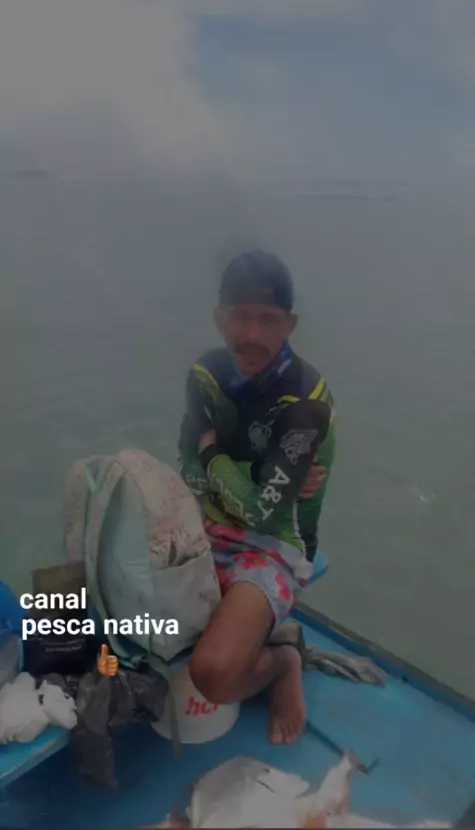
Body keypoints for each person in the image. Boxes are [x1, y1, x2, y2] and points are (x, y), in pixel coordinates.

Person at [178, 249, 336, 744]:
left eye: (268, 320)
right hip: (208, 521)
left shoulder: (306, 400)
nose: (251, 334)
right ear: (218, 318)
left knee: (215, 674)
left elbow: (263, 512)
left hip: (275, 544)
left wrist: (212, 457)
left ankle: (283, 661)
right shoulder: (206, 374)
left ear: (290, 323)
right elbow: (185, 464)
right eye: (240, 317)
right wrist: (243, 476)